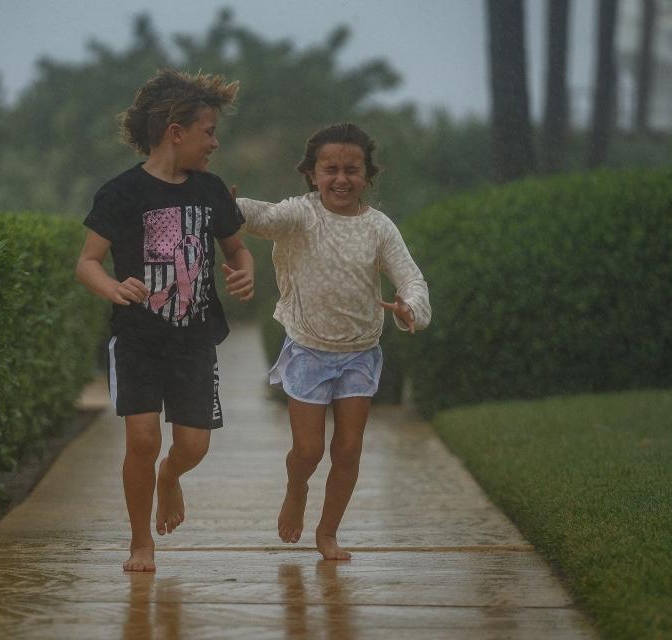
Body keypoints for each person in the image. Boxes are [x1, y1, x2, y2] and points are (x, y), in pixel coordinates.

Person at [76, 69, 254, 572]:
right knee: (143, 440)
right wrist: (113, 287)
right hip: (137, 339)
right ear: (177, 131)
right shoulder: (121, 193)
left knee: (192, 446)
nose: (215, 142)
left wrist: (244, 274)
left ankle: (170, 478)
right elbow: (86, 262)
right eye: (209, 131)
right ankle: (140, 542)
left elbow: (239, 251)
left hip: (195, 341)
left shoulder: (211, 190)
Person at [235, 123, 430, 561]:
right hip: (308, 349)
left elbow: (411, 278)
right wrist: (224, 204)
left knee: (347, 448)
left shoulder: (379, 228)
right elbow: (263, 217)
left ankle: (328, 532)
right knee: (308, 450)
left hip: (360, 353)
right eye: (331, 170)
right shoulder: (301, 216)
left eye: (352, 169)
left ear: (367, 175)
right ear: (312, 174)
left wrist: (411, 306)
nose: (341, 179)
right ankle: (296, 486)